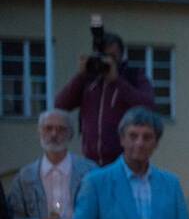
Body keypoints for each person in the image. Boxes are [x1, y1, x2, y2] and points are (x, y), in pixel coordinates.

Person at [54, 31, 154, 166]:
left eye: (112, 56)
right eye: (103, 56)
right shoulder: (90, 80)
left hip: (124, 161)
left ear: (121, 56)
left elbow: (148, 106)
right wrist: (80, 76)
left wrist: (117, 81)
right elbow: (60, 104)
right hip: (90, 160)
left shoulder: (133, 76)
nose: (107, 60)